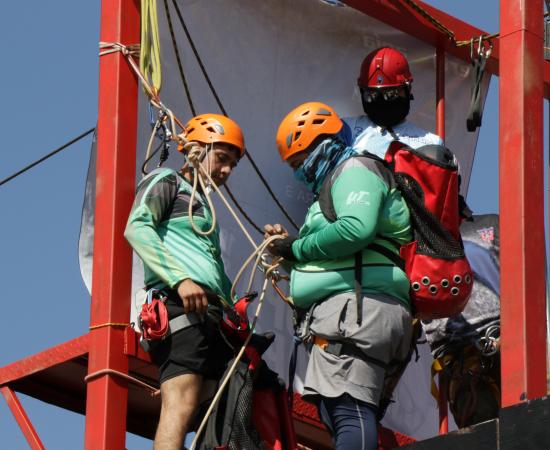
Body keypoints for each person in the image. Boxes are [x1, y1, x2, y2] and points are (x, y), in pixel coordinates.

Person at [265, 102, 413, 450]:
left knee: (349, 410)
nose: (301, 173)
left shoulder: (354, 170)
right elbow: (339, 256)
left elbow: (355, 229)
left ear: (323, 143)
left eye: (301, 163)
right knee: (340, 411)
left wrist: (297, 248)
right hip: (356, 308)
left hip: (360, 310)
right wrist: (285, 254)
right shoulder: (338, 181)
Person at [124, 114, 244, 450]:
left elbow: (210, 267)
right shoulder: (167, 181)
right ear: (194, 149)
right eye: (221, 158)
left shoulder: (204, 207)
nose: (226, 171)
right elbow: (138, 228)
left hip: (211, 313)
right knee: (181, 405)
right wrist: (180, 281)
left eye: (232, 165)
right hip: (182, 306)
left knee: (215, 413)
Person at [342, 46, 443, 157]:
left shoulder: (430, 144)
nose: (381, 102)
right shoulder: (346, 130)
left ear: (408, 90)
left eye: (390, 94)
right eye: (372, 95)